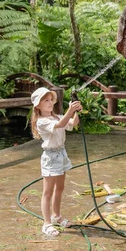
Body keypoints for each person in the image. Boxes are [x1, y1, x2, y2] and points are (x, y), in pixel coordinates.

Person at [30, 87, 82, 236]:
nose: (50, 102)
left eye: (51, 99)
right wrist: (70, 111)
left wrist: (77, 110)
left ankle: (56, 216)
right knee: (47, 192)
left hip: (62, 154)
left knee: (60, 188)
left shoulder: (57, 116)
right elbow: (60, 125)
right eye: (45, 100)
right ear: (38, 105)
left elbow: (72, 123)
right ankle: (46, 224)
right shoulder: (42, 122)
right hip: (51, 157)